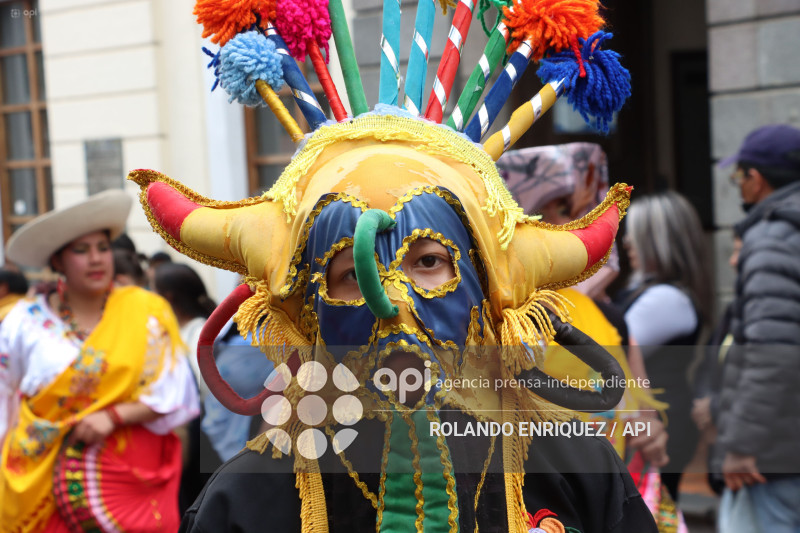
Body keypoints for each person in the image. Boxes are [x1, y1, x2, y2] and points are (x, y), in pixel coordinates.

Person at [0, 189, 200, 532]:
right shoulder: (24, 321)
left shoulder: (146, 311)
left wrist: (114, 416)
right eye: (81, 251)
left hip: (128, 483)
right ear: (57, 262)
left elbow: (175, 390)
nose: (96, 259)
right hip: (39, 479)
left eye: (102, 248)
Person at [713, 124, 800, 531]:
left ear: (756, 179)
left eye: (739, 177)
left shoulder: (772, 239)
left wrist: (742, 446)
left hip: (775, 457)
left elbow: (772, 353)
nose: (739, 188)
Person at [616, 191, 712, 503]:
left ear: (660, 241)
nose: (627, 240)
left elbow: (608, 353)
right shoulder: (657, 293)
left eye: (637, 233)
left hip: (659, 429)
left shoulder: (666, 299)